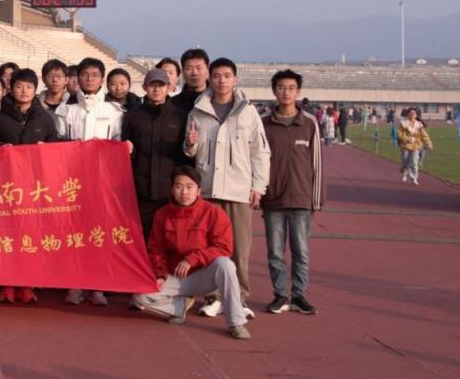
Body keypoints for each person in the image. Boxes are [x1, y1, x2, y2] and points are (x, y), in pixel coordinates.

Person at [184, 57, 270, 317]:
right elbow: (190, 151)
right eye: (217, 76)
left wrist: (258, 186)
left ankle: (239, 297)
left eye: (227, 76)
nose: (221, 81)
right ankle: (214, 296)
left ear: (235, 79)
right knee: (208, 245)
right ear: (210, 79)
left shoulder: (248, 112)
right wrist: (190, 144)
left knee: (240, 247)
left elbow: (260, 151)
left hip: (238, 190)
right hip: (208, 189)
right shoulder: (198, 110)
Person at [133, 166, 251, 339]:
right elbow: (156, 249)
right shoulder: (162, 215)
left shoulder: (214, 213)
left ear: (199, 190)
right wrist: (160, 274)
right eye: (179, 186)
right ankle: (179, 307)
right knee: (139, 297)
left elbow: (223, 248)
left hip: (204, 275)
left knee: (226, 264)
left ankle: (236, 322)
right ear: (172, 189)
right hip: (174, 276)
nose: (184, 192)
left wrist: (192, 259)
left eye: (190, 187)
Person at [0, 68, 58, 304]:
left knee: (31, 237)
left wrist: (46, 149)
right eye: (19, 86)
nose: (24, 91)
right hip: (6, 186)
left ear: (35, 90)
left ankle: (27, 285)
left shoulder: (44, 118)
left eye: (29, 87)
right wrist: (1, 148)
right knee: (7, 236)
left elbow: (55, 146)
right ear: (10, 88)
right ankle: (7, 285)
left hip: (34, 187)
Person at [261, 70, 324, 316]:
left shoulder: (308, 123)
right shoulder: (264, 122)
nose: (286, 92)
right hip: (273, 198)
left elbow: (317, 162)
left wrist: (316, 199)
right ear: (274, 91)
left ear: (298, 92)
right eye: (281, 87)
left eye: (290, 88)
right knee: (275, 252)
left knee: (301, 251)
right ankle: (280, 295)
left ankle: (298, 295)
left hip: (301, 198)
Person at [62, 57, 124, 307]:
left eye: (95, 75)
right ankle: (74, 284)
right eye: (85, 74)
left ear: (102, 79)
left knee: (100, 234)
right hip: (72, 182)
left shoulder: (114, 112)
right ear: (78, 78)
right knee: (74, 234)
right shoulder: (66, 110)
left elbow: (118, 146)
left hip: (102, 182)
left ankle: (98, 286)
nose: (89, 79)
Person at [122, 68, 187, 239]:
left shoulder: (180, 116)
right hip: (141, 191)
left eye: (161, 85)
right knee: (142, 237)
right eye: (152, 85)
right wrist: (129, 151)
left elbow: (184, 154)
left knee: (170, 238)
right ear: (144, 87)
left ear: (169, 87)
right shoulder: (133, 116)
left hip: (169, 191)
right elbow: (126, 151)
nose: (157, 89)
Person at [398, 107, 433, 186]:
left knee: (414, 162)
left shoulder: (419, 125)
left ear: (416, 115)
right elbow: (399, 134)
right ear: (408, 114)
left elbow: (424, 135)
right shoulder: (403, 123)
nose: (412, 114)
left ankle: (414, 178)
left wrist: (428, 143)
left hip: (416, 146)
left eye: (414, 113)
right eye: (411, 113)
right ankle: (404, 172)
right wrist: (407, 139)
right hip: (405, 145)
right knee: (405, 161)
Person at [172, 48, 210, 117]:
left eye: (199, 68)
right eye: (189, 68)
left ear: (207, 70)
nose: (195, 73)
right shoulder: (173, 104)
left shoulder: (217, 101)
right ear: (183, 72)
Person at [37, 58, 71, 137]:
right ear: (43, 79)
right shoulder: (35, 103)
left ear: (66, 80)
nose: (55, 80)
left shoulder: (72, 103)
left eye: (59, 76)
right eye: (50, 76)